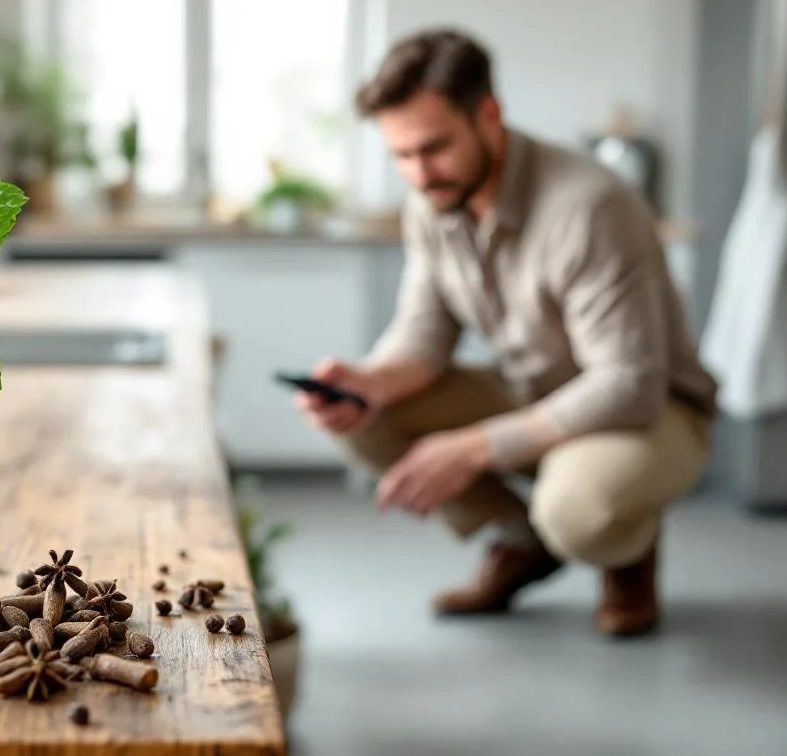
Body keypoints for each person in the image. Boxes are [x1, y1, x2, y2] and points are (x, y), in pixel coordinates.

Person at [297, 29, 717, 637]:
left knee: (579, 510)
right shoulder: (432, 202)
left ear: (489, 116)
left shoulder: (590, 206)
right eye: (401, 155)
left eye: (434, 148)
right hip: (533, 390)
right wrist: (369, 380)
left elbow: (628, 384)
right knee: (363, 413)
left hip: (651, 410)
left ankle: (624, 550)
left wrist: (472, 447)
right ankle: (524, 545)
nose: (419, 174)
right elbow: (424, 335)